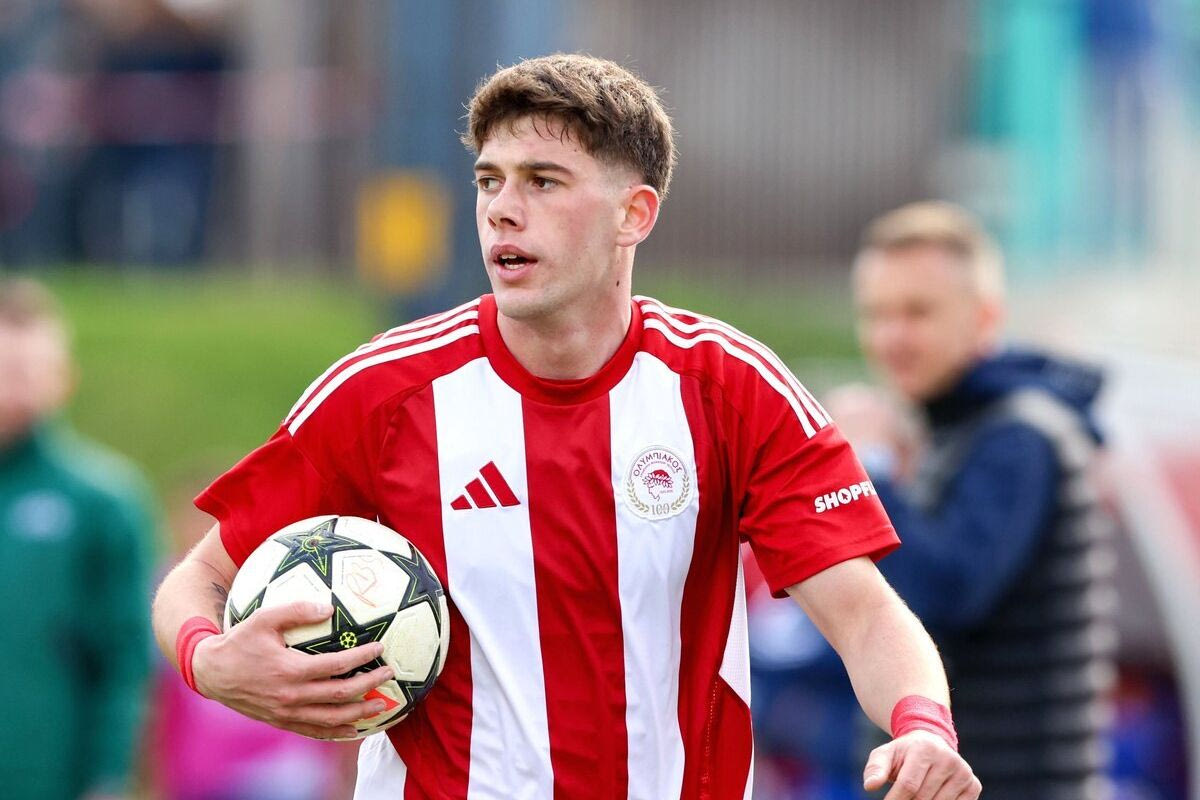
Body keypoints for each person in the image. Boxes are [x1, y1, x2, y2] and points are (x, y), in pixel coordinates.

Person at [151, 54, 981, 799]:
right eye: (489, 181)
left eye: (543, 182)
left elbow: (865, 615)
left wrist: (922, 728)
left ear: (634, 214)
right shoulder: (383, 391)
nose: (502, 211)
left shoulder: (731, 388)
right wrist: (209, 660)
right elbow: (200, 577)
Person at [830, 201, 1116, 798]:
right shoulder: (956, 431)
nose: (891, 336)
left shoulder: (1021, 438)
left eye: (918, 312)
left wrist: (869, 468)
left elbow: (943, 595)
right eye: (877, 314)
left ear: (985, 318)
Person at [0, 277, 157, 800]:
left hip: (46, 777)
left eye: (27, 369)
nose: (13, 386)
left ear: (62, 377)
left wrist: (107, 777)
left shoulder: (102, 501)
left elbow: (125, 658)